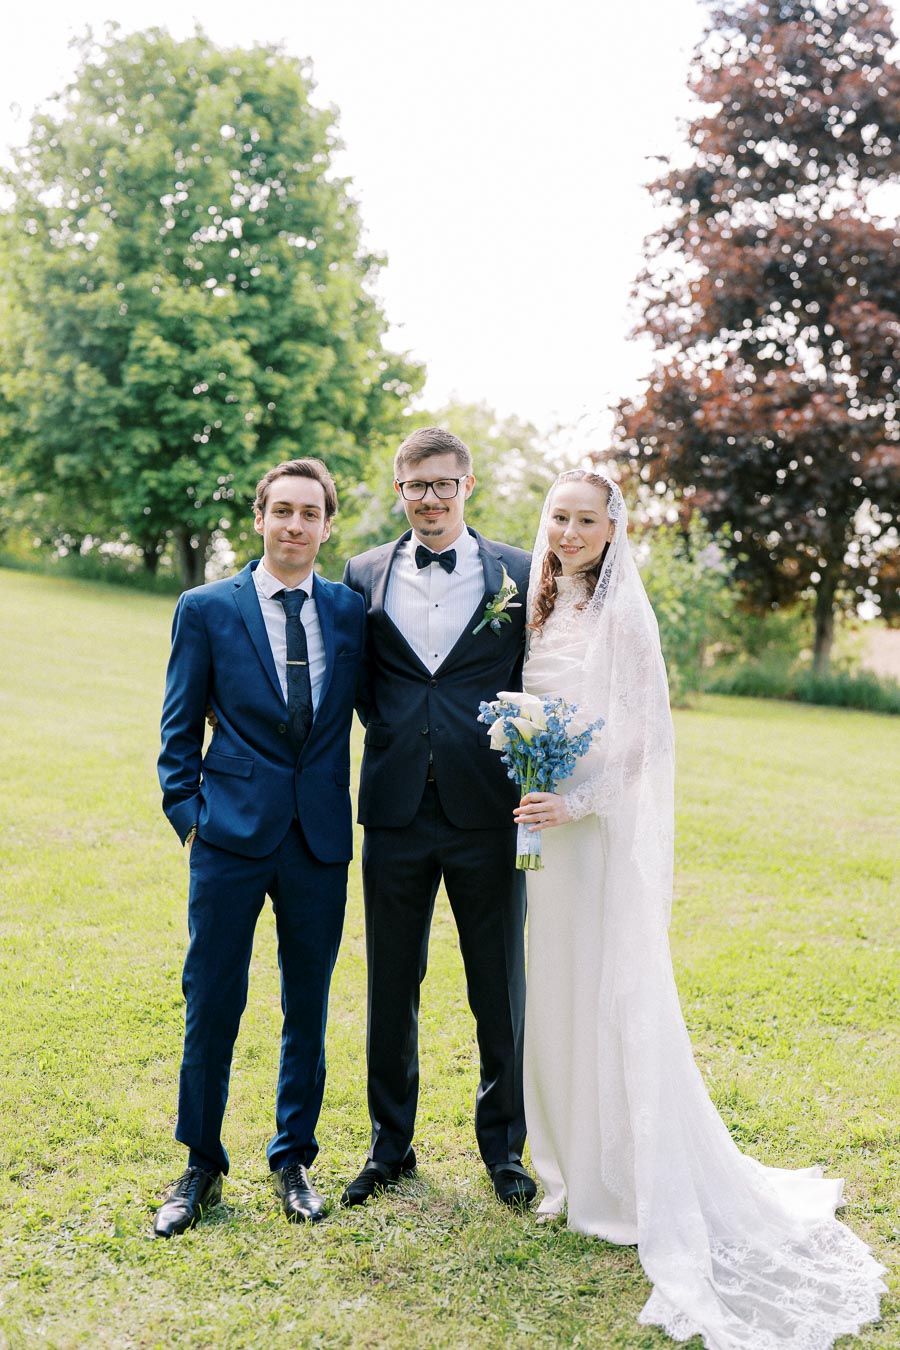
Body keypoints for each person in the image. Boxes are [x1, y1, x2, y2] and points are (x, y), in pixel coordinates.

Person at [513, 469, 886, 1348]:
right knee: (556, 986)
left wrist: (577, 799)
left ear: (613, 527)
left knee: (608, 987)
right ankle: (565, 1167)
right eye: (558, 518)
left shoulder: (624, 614)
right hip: (542, 830)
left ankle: (621, 1180)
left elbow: (644, 736)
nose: (567, 532)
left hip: (591, 828)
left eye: (584, 520)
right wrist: (531, 778)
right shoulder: (536, 605)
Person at [154, 458, 365, 1236]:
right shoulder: (206, 608)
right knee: (212, 1001)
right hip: (229, 837)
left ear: (327, 525)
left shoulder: (349, 612)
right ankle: (200, 1166)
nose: (295, 526)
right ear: (260, 518)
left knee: (306, 1006)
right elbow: (177, 732)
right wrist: (192, 817)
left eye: (310, 513)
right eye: (282, 511)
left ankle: (294, 1158)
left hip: (318, 840)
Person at [341, 427, 535, 1207]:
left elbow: (536, 678)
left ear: (468, 485)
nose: (429, 499)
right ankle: (391, 1147)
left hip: (487, 810)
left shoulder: (518, 574)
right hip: (393, 810)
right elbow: (363, 682)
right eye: (415, 487)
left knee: (499, 985)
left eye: (442, 485)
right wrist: (395, 739)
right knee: (392, 982)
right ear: (400, 490)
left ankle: (505, 1151)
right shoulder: (361, 573)